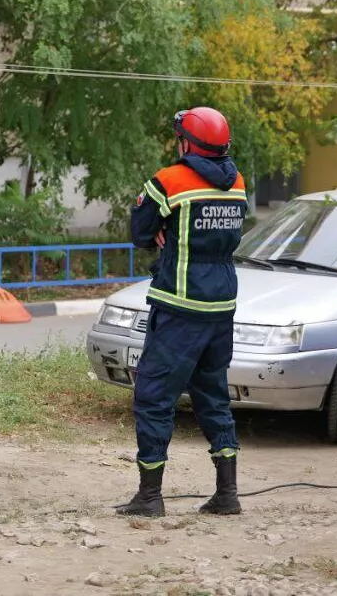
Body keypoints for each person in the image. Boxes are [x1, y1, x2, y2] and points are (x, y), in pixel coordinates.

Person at [116, 106, 247, 518]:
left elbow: (140, 233)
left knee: (154, 397)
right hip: (221, 306)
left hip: (180, 307)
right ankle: (227, 494)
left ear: (187, 144)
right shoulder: (238, 182)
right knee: (213, 396)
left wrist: (165, 231)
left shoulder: (169, 181)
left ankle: (149, 497)